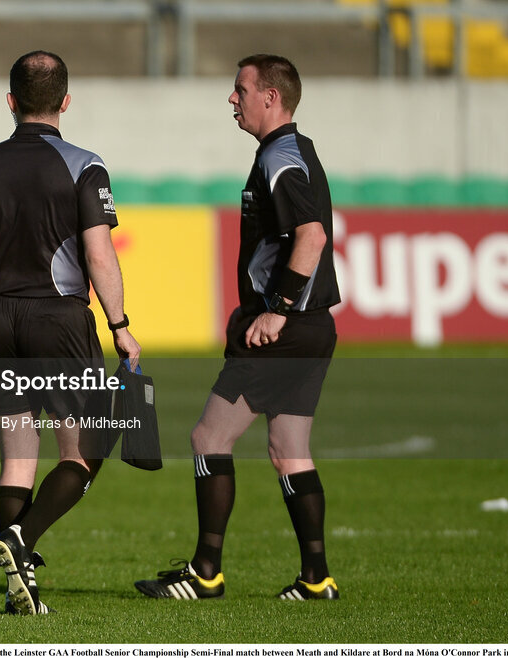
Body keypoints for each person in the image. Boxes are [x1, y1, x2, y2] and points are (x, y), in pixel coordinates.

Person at [134, 54, 341, 602]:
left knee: (209, 437)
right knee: (289, 447)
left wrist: (276, 308)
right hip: (313, 327)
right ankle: (316, 580)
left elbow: (312, 236)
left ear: (270, 97)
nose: (233, 99)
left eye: (240, 89)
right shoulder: (292, 150)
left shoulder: (280, 156)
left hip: (285, 327)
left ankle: (205, 572)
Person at [0, 50, 141, 616]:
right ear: (65, 101)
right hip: (59, 319)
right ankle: (21, 540)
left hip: (1, 318)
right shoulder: (85, 164)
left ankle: (20, 586)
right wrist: (121, 325)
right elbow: (99, 254)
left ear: (10, 103)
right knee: (88, 450)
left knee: (16, 462)